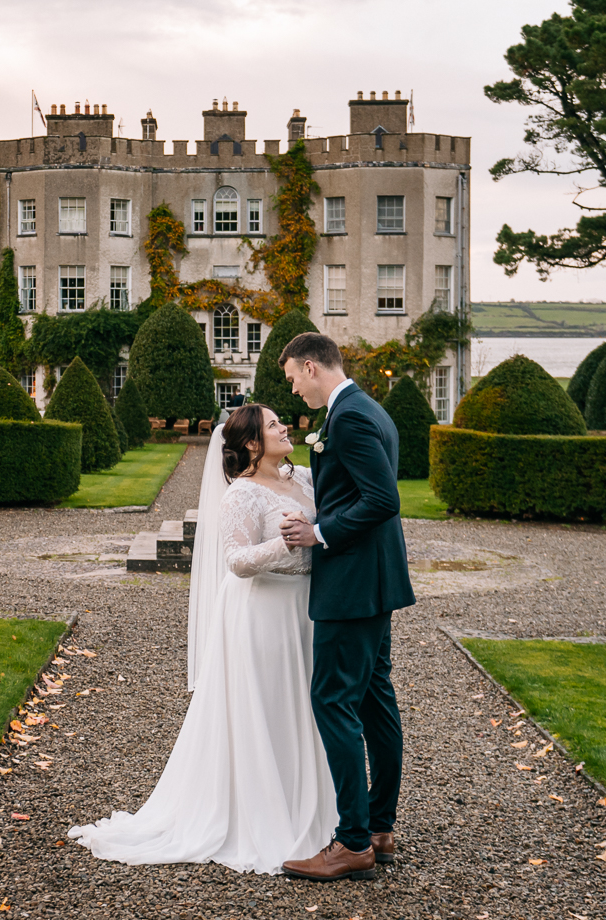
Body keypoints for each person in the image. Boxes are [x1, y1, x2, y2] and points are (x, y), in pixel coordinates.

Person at [67, 404, 337, 873]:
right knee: (268, 706)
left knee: (306, 704)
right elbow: (235, 560)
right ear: (252, 443)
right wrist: (287, 542)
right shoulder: (242, 495)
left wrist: (314, 535)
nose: (284, 427)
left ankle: (315, 810)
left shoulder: (307, 479)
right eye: (274, 425)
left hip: (306, 609)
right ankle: (265, 812)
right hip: (262, 611)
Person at [275, 331, 416, 882]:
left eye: (291, 376)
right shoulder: (369, 409)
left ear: (311, 367)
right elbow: (359, 487)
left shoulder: (349, 417)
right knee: (377, 699)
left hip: (352, 586)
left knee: (333, 699)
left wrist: (319, 533)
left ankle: (352, 840)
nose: (292, 387)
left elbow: (383, 500)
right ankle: (379, 827)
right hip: (376, 581)